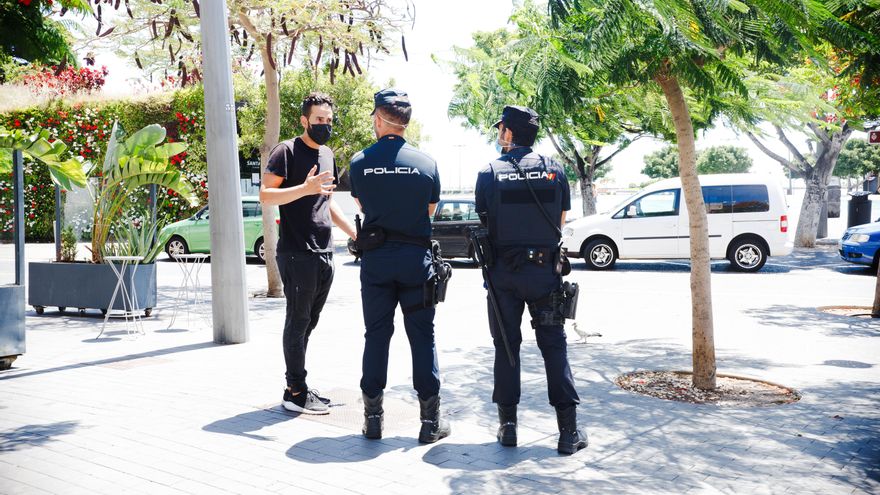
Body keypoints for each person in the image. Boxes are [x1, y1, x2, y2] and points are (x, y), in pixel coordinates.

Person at [474, 105, 588, 455]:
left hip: (503, 276)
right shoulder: (555, 169)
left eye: (500, 129)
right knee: (554, 347)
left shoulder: (489, 172)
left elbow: (484, 221)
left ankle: (508, 427)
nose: (499, 135)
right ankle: (568, 432)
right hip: (544, 274)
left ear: (509, 133)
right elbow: (562, 218)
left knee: (506, 347)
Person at [349, 88, 451, 443]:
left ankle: (373, 419)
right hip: (416, 262)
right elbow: (430, 212)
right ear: (406, 122)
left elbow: (362, 206)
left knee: (376, 336)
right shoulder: (426, 163)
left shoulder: (360, 162)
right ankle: (429, 423)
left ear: (378, 119)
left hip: (376, 261)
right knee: (422, 338)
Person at [260, 92, 357, 415]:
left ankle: (298, 381)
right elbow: (266, 195)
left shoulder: (327, 154)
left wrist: (356, 235)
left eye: (328, 121)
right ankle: (295, 391)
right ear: (304, 120)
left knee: (308, 323)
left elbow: (327, 203)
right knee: (298, 320)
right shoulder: (285, 151)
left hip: (324, 252)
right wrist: (304, 188)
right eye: (318, 120)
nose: (324, 126)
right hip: (296, 252)